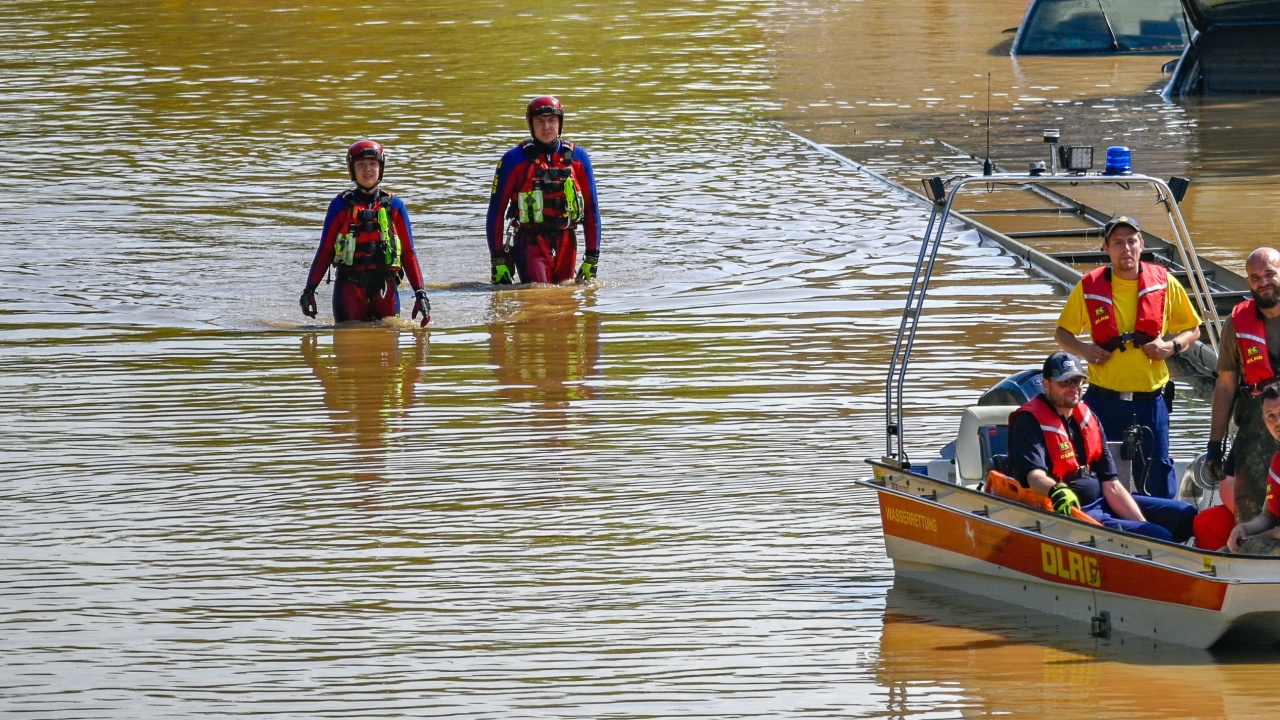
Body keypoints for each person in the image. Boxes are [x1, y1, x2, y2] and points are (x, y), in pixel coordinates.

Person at [1054, 215, 1202, 499]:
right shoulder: (1088, 286)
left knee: (1158, 476)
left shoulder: (1165, 283)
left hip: (1151, 402)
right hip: (1103, 401)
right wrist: (1085, 350)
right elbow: (1062, 334)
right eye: (1118, 243)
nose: (1126, 249)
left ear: (1142, 244)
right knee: (1100, 476)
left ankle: (1161, 533)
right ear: (1105, 248)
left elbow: (1193, 329)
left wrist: (1172, 347)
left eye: (1132, 241)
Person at [1008, 351, 1196, 542]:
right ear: (1046, 385)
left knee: (1185, 515)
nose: (1072, 388)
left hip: (1103, 501)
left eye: (1077, 381)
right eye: (1064, 382)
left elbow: (1111, 484)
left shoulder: (1088, 417)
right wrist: (1057, 490)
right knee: (1159, 536)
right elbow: (1034, 476)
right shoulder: (1029, 421)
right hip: (1070, 510)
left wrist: (1143, 523)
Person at [300, 139, 430, 326]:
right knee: (348, 341)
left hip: (386, 289)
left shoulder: (395, 206)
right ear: (352, 170)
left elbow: (409, 253)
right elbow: (325, 251)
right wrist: (309, 290)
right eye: (361, 165)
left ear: (381, 167)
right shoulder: (340, 206)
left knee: (389, 346)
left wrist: (420, 293)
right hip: (349, 290)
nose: (367, 170)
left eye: (372, 164)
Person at [486, 95, 601, 285]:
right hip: (530, 244)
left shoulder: (579, 158)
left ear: (560, 123)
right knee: (540, 296)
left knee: (567, 305)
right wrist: (498, 260)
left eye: (551, 120)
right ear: (531, 124)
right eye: (539, 121)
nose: (546, 127)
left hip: (567, 241)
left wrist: (592, 257)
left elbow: (591, 210)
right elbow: (496, 213)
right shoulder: (513, 161)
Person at [1206, 247, 1280, 522]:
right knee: (1250, 504)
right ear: (1248, 281)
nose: (1263, 282)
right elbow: (1225, 387)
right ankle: (1252, 552)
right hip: (1257, 425)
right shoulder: (1236, 323)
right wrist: (1214, 445)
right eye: (1255, 277)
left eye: (1270, 274)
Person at [1227, 384, 1280, 554]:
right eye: (1271, 416)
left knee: (1248, 550)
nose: (1277, 422)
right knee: (1225, 552)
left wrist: (1255, 538)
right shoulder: (1277, 461)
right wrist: (1244, 528)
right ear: (1264, 421)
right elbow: (1268, 516)